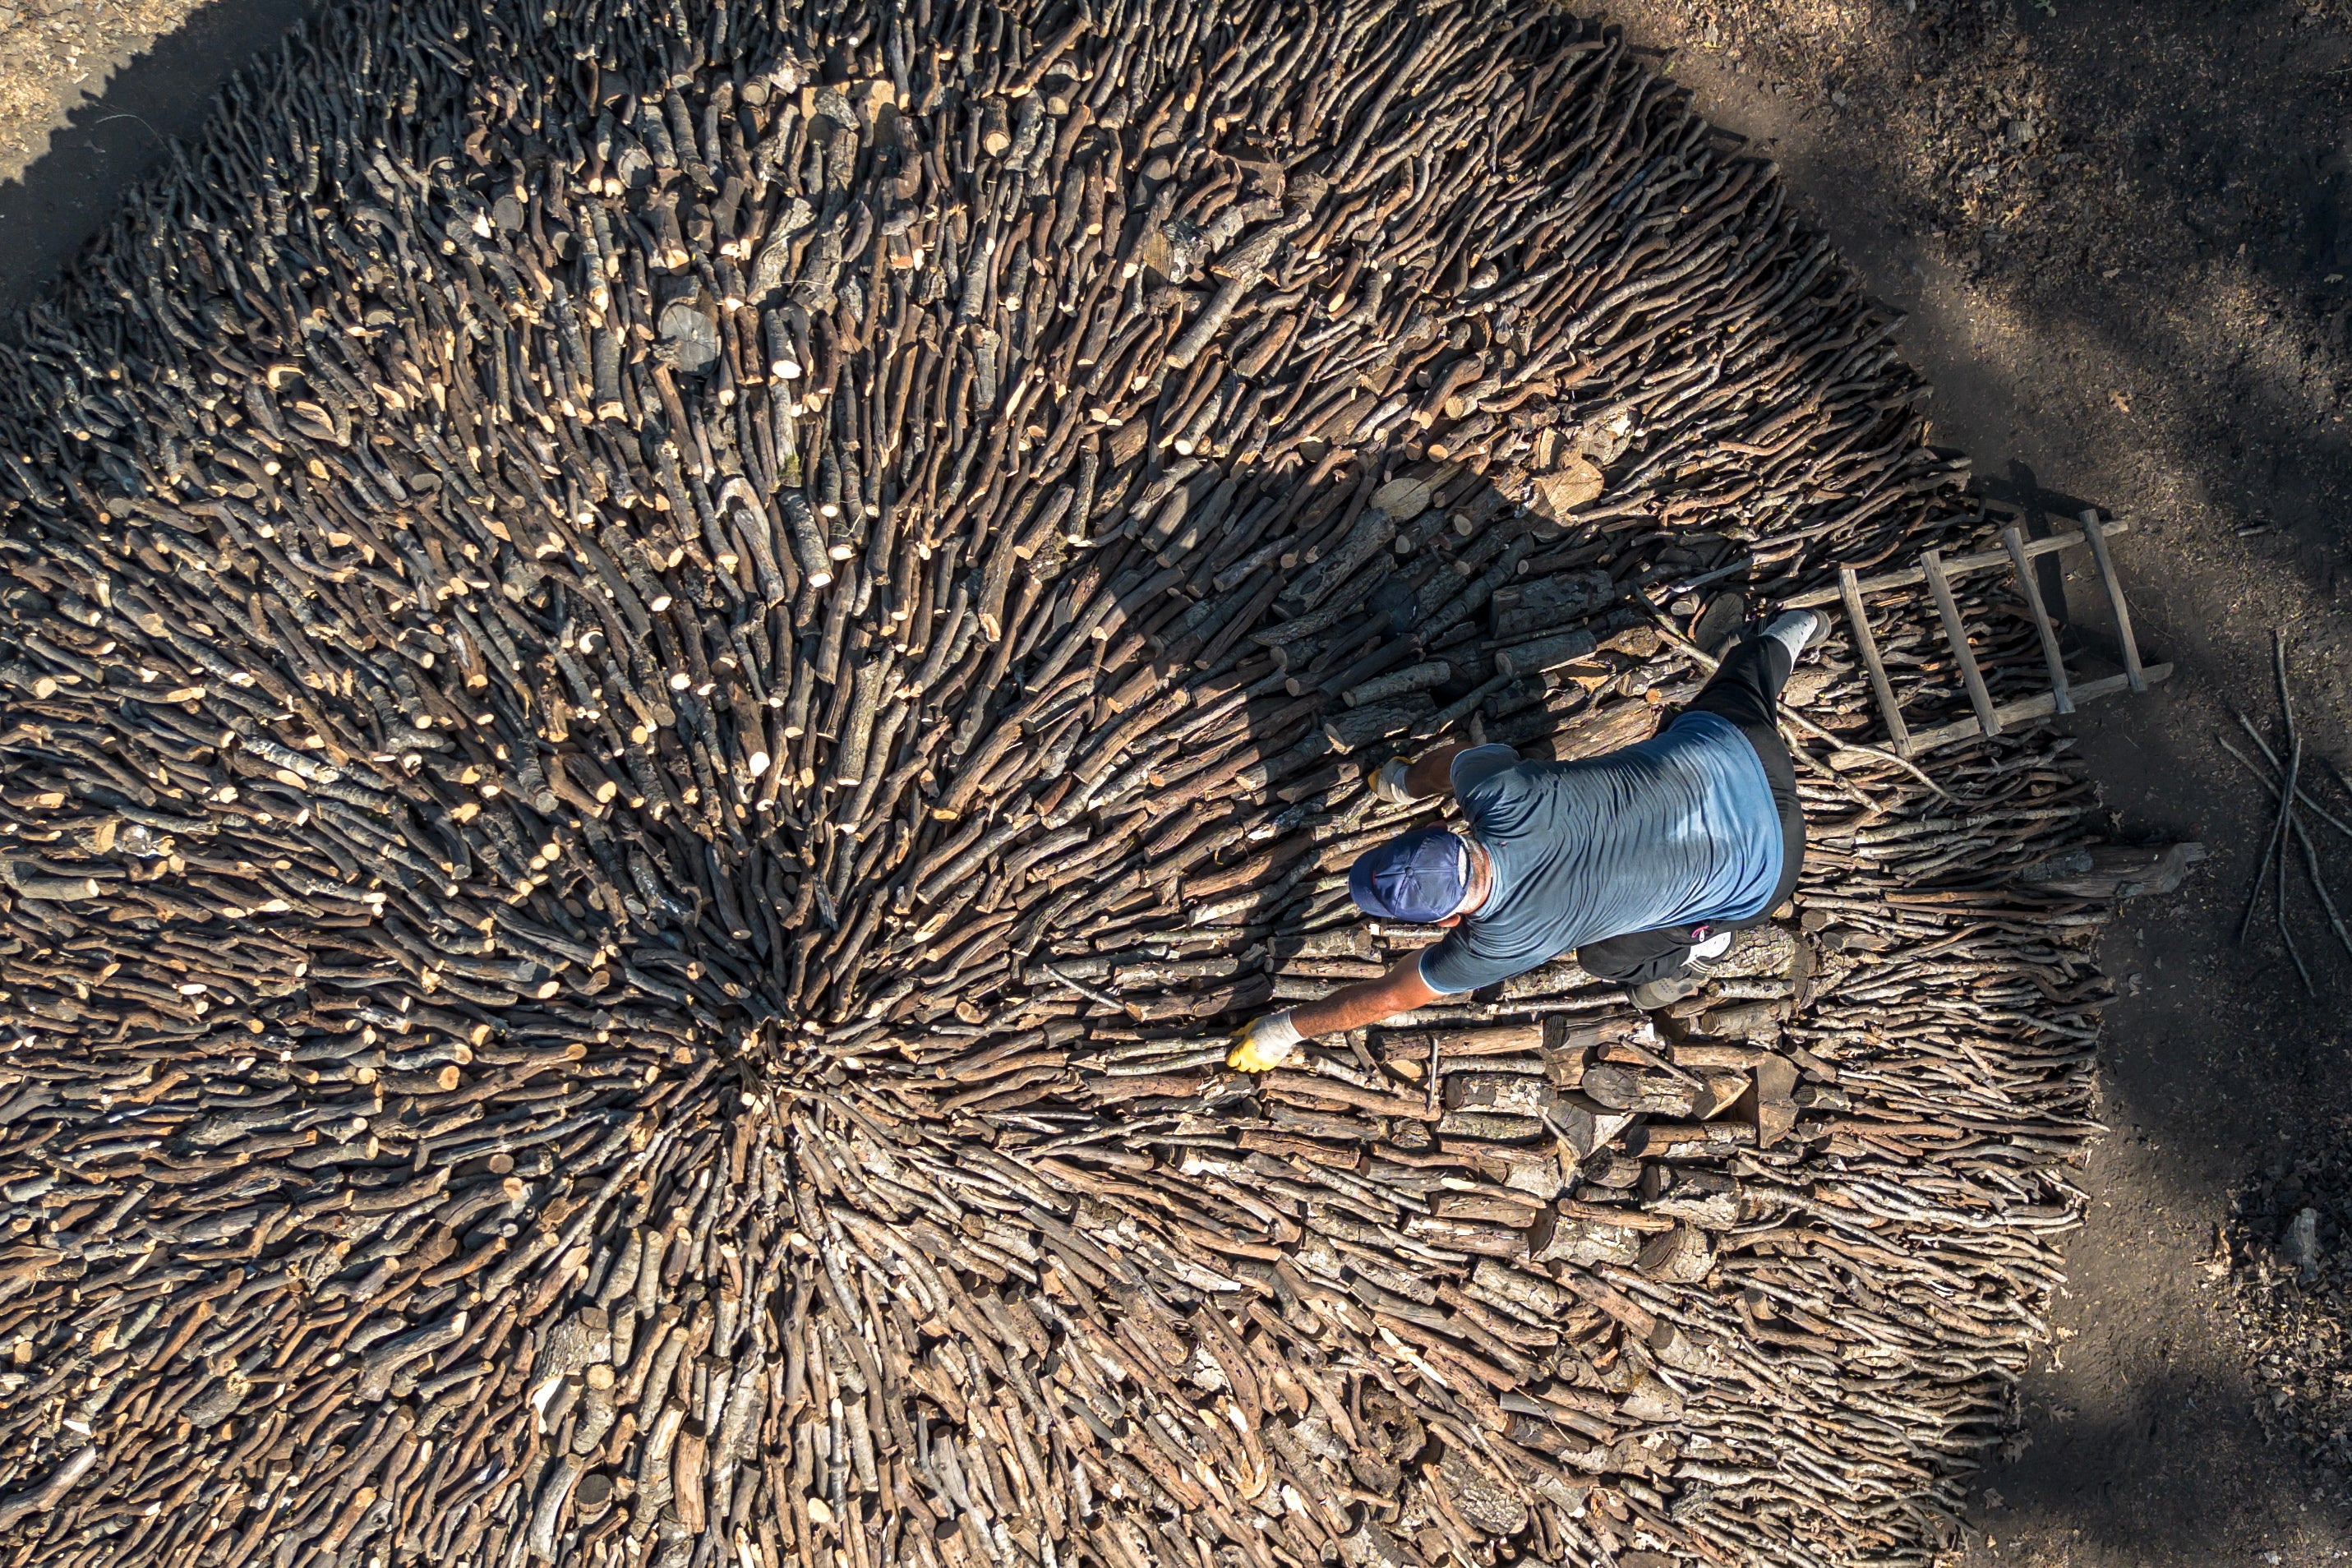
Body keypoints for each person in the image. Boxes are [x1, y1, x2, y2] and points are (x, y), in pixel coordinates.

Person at [1228, 608, 1825, 1072]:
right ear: (1440, 828)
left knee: (1606, 958)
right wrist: (1402, 781)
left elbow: (1389, 997)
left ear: (1443, 924)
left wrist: (1281, 1033)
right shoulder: (1499, 790)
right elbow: (1454, 761)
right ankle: (1798, 631)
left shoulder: (1496, 945)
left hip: (1768, 869)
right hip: (1739, 748)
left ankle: (1704, 946)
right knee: (1743, 677)